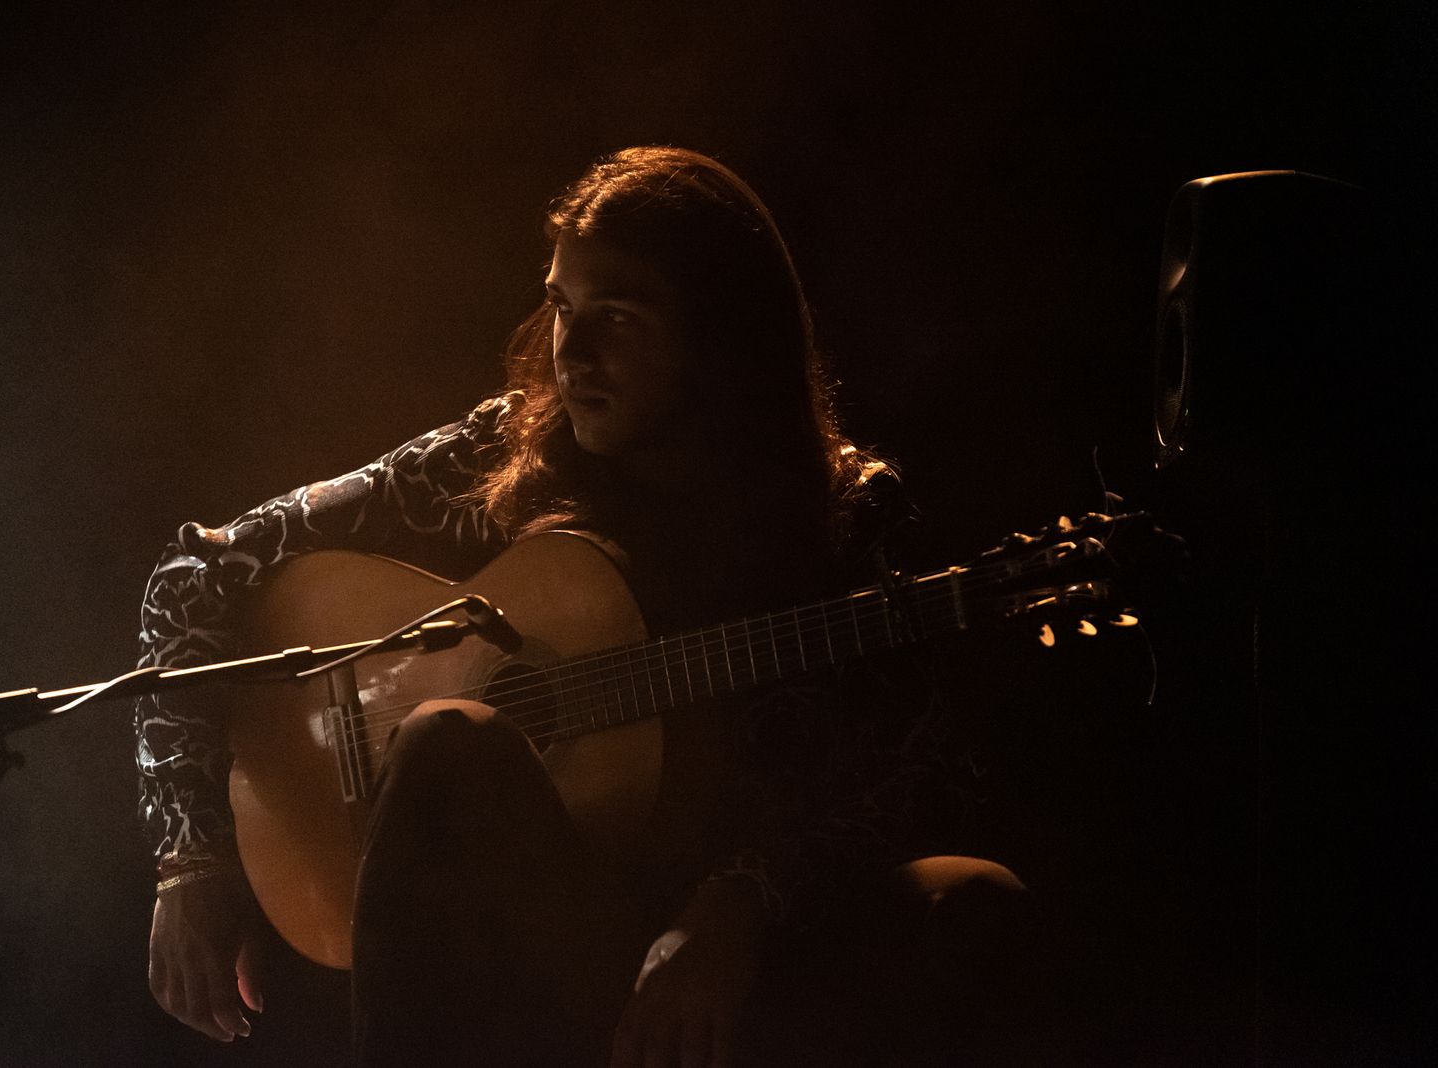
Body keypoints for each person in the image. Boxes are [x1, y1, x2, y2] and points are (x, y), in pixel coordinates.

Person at [136, 146, 1027, 1067]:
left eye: (619, 319)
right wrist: (191, 858)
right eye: (562, 306)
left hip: (714, 926)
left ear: (716, 339)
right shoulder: (502, 456)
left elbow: (916, 757)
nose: (573, 352)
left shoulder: (845, 515)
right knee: (448, 736)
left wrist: (741, 906)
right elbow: (195, 576)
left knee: (974, 893)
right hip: (540, 924)